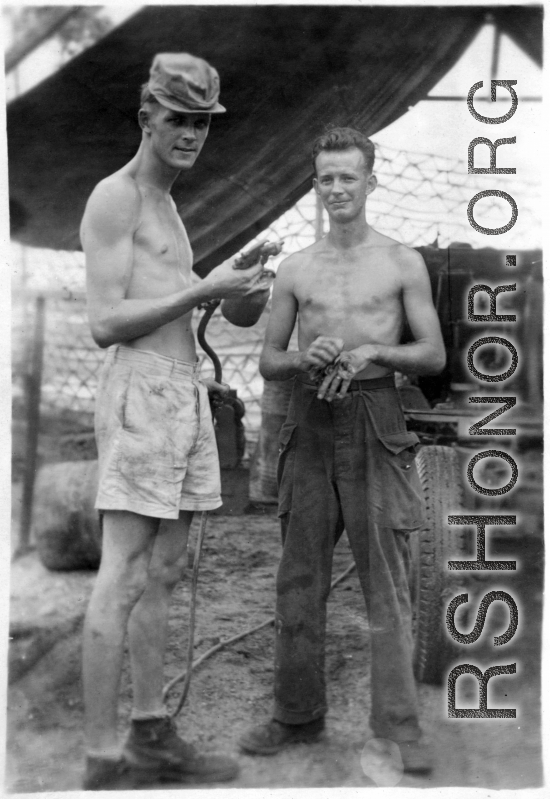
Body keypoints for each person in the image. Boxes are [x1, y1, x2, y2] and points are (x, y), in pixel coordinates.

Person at [80, 52, 271, 790]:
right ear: (147, 118)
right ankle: (102, 758)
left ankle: (150, 732)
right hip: (140, 393)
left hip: (182, 392)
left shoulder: (168, 205)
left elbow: (192, 298)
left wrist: (235, 283)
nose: (192, 133)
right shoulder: (116, 197)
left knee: (161, 572)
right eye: (179, 119)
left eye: (203, 122)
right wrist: (205, 289)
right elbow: (105, 321)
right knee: (121, 572)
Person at [239, 127, 446, 773]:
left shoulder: (401, 260)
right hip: (310, 423)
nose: (336, 189)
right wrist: (308, 355)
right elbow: (270, 360)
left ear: (370, 182)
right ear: (317, 183)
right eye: (326, 178)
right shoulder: (297, 267)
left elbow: (433, 354)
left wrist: (374, 351)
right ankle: (295, 715)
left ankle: (400, 726)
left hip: (377, 419)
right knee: (298, 581)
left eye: (348, 177)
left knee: (387, 583)